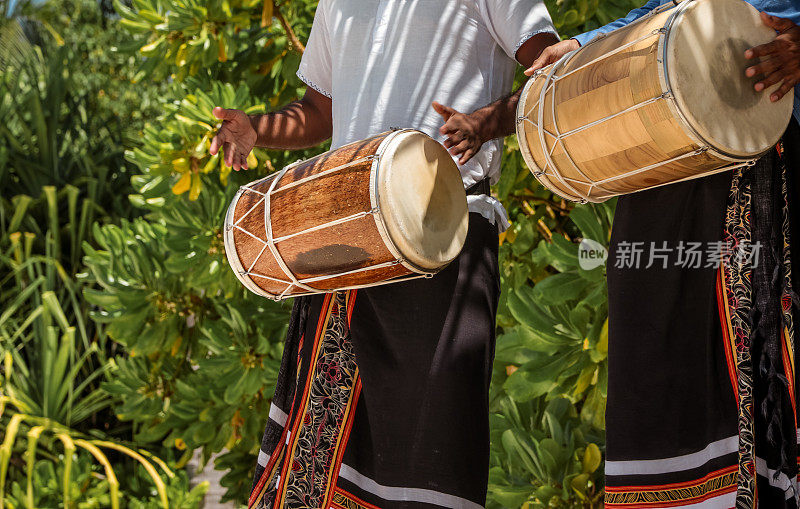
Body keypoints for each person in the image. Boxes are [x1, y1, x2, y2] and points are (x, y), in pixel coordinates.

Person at [209, 1, 559, 507]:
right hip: (345, 237)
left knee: (433, 455)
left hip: (443, 232)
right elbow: (319, 110)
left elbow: (552, 69)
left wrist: (483, 123)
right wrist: (259, 129)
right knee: (320, 469)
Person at [502, 1, 798, 507]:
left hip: (769, 145)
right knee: (654, 341)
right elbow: (669, 8)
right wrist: (585, 44)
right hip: (672, 145)